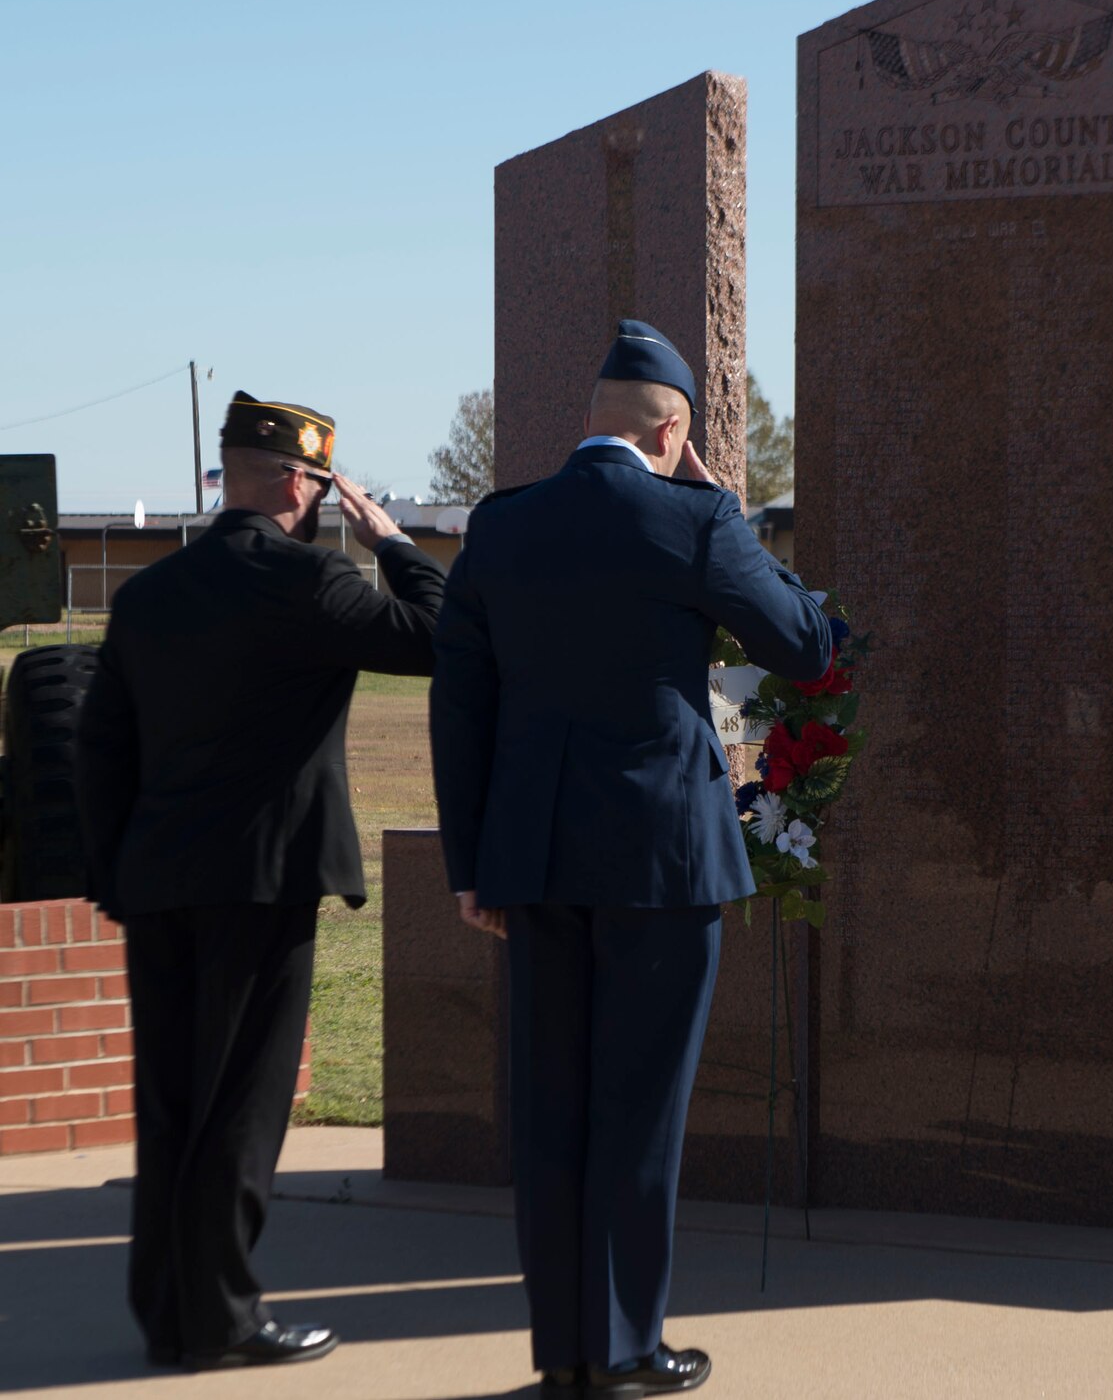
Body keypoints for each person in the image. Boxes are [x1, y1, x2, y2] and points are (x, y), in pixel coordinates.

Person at [429, 320, 830, 1399]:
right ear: (675, 429)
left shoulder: (500, 525)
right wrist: (724, 511)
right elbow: (805, 643)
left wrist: (470, 862)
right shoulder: (694, 517)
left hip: (535, 852)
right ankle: (623, 1349)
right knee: (637, 1110)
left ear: (594, 419)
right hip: (660, 858)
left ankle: (567, 1350)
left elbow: (459, 703)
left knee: (552, 1106)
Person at [77, 391, 446, 1371]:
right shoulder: (306, 580)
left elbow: (101, 746)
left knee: (170, 1104)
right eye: (325, 487)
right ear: (300, 482)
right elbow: (439, 635)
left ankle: (170, 1313)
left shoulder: (149, 594)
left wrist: (117, 871)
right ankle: (225, 1319)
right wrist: (392, 538)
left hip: (157, 881)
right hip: (261, 879)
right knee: (241, 1104)